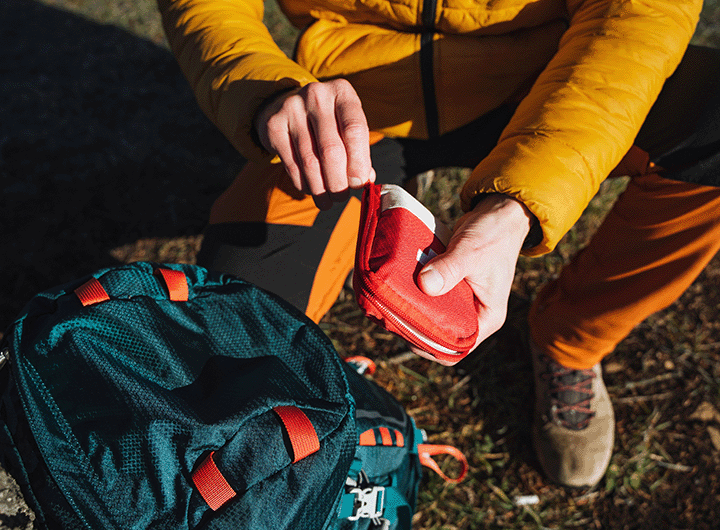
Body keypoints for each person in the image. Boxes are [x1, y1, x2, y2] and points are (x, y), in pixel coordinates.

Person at [157, 0, 720, 488]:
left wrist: (522, 198)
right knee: (229, 356)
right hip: (352, 108)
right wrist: (264, 89)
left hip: (542, 86)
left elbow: (641, 16)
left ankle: (570, 341)